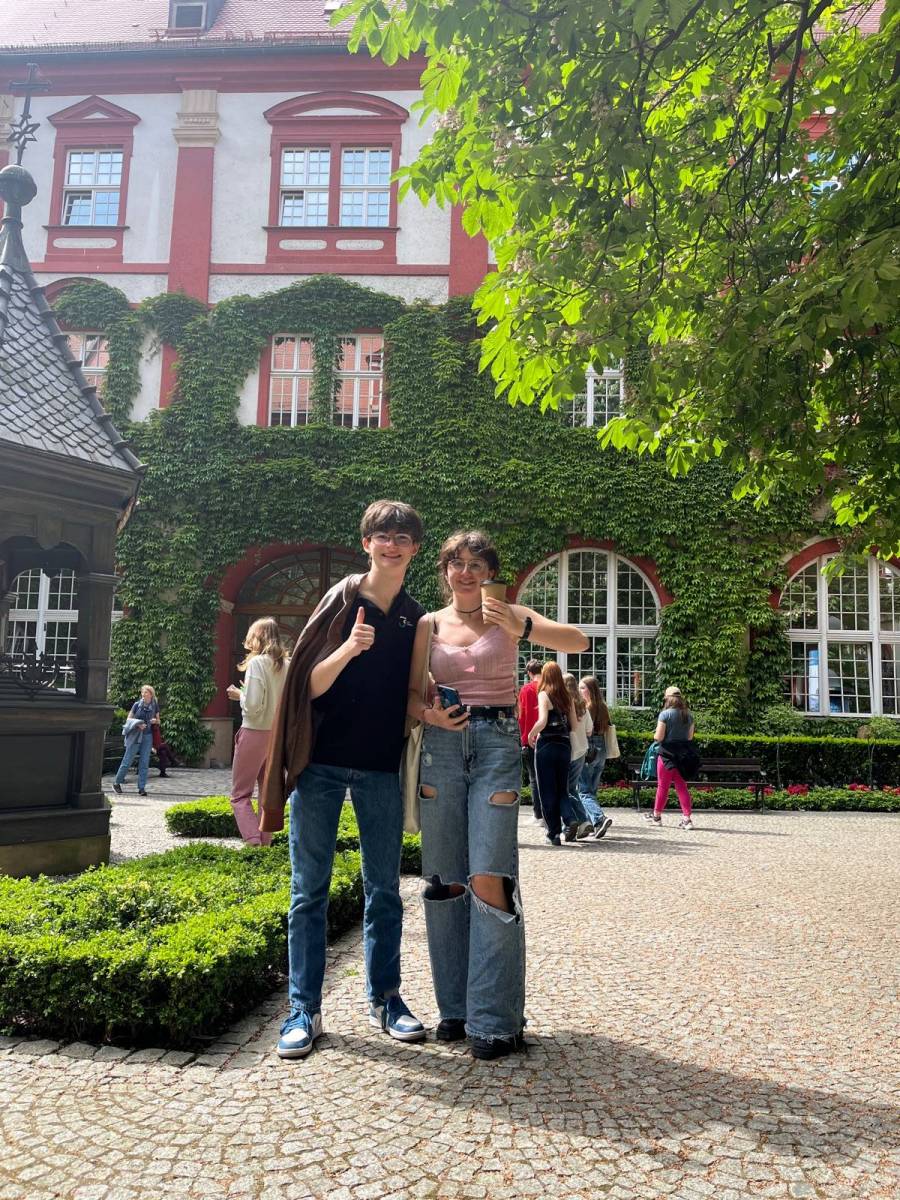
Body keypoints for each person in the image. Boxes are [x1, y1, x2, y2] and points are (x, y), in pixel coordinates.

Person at [408, 531, 587, 1060]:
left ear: (489, 572)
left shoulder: (510, 616)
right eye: (457, 563)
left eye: (476, 564)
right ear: (444, 570)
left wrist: (521, 625)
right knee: (445, 881)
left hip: (496, 745)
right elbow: (409, 694)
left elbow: (577, 641)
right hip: (442, 747)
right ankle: (455, 1009)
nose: (466, 572)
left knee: (490, 876)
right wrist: (429, 713)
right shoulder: (428, 625)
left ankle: (495, 1020)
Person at [260, 501, 427, 1060]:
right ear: (366, 543)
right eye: (383, 535)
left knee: (385, 891)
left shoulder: (414, 616)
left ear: (414, 549)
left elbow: (412, 691)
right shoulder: (342, 598)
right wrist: (350, 649)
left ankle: (386, 999)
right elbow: (306, 684)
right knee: (308, 891)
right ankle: (303, 1008)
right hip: (323, 764)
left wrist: (434, 709)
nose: (391, 545)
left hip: (380, 765)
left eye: (402, 537)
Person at [226, 617, 289, 847]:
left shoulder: (257, 663)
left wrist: (239, 695)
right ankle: (265, 843)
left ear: (257, 637)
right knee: (267, 793)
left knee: (239, 795)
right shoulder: (288, 664)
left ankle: (252, 840)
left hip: (254, 732)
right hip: (277, 735)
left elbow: (252, 706)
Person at [528, 663, 578, 846]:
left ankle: (553, 833)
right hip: (564, 745)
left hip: (546, 745)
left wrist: (531, 734)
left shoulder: (544, 694)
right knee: (562, 788)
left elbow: (542, 721)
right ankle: (570, 819)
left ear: (545, 676)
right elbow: (574, 725)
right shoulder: (568, 697)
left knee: (547, 790)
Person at [644, 685, 696, 829]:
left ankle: (657, 817)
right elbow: (689, 737)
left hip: (666, 753)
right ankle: (687, 819)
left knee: (663, 786)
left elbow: (659, 737)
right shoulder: (688, 715)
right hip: (683, 754)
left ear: (667, 698)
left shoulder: (665, 715)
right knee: (682, 786)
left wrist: (655, 736)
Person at [577, 676, 614, 839]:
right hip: (602, 749)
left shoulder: (587, 708)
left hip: (589, 749)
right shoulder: (603, 706)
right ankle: (592, 824)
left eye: (582, 688)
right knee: (591, 791)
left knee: (584, 791)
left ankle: (599, 819)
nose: (579, 691)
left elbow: (584, 731)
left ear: (590, 690)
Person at [562, 673, 594, 842]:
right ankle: (577, 823)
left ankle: (577, 821)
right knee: (571, 789)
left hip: (567, 750)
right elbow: (589, 730)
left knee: (564, 790)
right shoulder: (583, 705)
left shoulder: (564, 704)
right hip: (581, 750)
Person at [112, 685, 159, 797]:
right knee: (127, 760)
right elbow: (128, 719)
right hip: (136, 735)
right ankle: (117, 783)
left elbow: (159, 720)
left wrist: (155, 721)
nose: (143, 694)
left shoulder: (154, 705)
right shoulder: (137, 705)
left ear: (151, 694)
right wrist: (138, 724)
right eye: (142, 692)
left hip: (147, 736)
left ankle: (141, 788)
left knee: (144, 763)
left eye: (146, 692)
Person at [517, 659, 544, 823]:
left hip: (530, 737)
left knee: (534, 778)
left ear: (529, 673)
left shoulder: (526, 689)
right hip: (549, 736)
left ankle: (538, 814)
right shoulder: (549, 687)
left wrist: (521, 737)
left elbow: (522, 716)